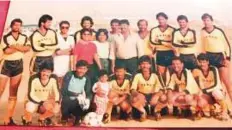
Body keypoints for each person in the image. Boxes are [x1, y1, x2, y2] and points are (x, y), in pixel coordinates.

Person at [0, 18, 31, 125]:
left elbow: (27, 48)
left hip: (18, 64)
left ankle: (8, 118)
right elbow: (6, 51)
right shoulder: (5, 37)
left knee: (13, 93)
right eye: (15, 25)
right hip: (7, 65)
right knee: (1, 89)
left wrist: (15, 46)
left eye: (19, 25)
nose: (17, 27)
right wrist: (20, 48)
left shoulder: (24, 37)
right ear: (12, 25)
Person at [200, 13, 232, 104]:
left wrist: (228, 58)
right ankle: (221, 107)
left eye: (208, 20)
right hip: (209, 58)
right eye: (204, 20)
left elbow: (227, 45)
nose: (206, 22)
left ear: (212, 21)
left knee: (227, 83)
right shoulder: (202, 31)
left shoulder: (219, 31)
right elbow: (202, 46)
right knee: (216, 85)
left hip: (220, 57)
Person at [22, 61, 60, 126]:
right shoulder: (33, 78)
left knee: (56, 107)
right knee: (29, 107)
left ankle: (43, 118)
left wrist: (57, 102)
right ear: (40, 71)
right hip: (34, 101)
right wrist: (41, 102)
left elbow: (57, 93)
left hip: (46, 102)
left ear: (51, 72)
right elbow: (30, 95)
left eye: (48, 72)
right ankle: (26, 118)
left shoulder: (53, 78)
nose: (45, 73)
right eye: (44, 71)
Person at [193, 53, 230, 120]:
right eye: (200, 62)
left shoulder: (213, 69)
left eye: (204, 62)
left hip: (215, 92)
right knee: (200, 101)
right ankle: (207, 109)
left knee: (216, 93)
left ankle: (225, 111)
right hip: (206, 95)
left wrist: (203, 91)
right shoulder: (196, 70)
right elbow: (197, 85)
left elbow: (216, 85)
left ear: (208, 62)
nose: (202, 64)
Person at [61, 60, 93, 126]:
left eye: (84, 69)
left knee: (84, 104)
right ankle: (65, 117)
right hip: (67, 99)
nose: (82, 71)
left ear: (87, 70)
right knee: (67, 102)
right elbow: (63, 90)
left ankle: (77, 119)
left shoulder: (86, 78)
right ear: (76, 68)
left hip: (78, 100)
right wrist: (76, 94)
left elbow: (88, 92)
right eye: (80, 68)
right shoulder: (70, 74)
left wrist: (88, 99)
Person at [130, 55, 162, 121]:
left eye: (147, 64)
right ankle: (143, 112)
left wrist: (156, 96)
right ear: (140, 65)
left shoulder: (155, 74)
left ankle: (156, 110)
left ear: (150, 65)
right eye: (143, 64)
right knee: (132, 99)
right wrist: (138, 94)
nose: (145, 66)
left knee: (163, 97)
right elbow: (132, 90)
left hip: (153, 95)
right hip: (142, 96)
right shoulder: (136, 75)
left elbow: (161, 90)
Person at [53, 21, 75, 88]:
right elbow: (57, 52)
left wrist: (61, 52)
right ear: (60, 28)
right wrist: (69, 49)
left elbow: (73, 51)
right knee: (56, 79)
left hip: (67, 61)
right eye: (63, 27)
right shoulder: (56, 37)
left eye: (66, 27)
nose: (64, 29)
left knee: (64, 80)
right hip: (57, 61)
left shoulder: (71, 38)